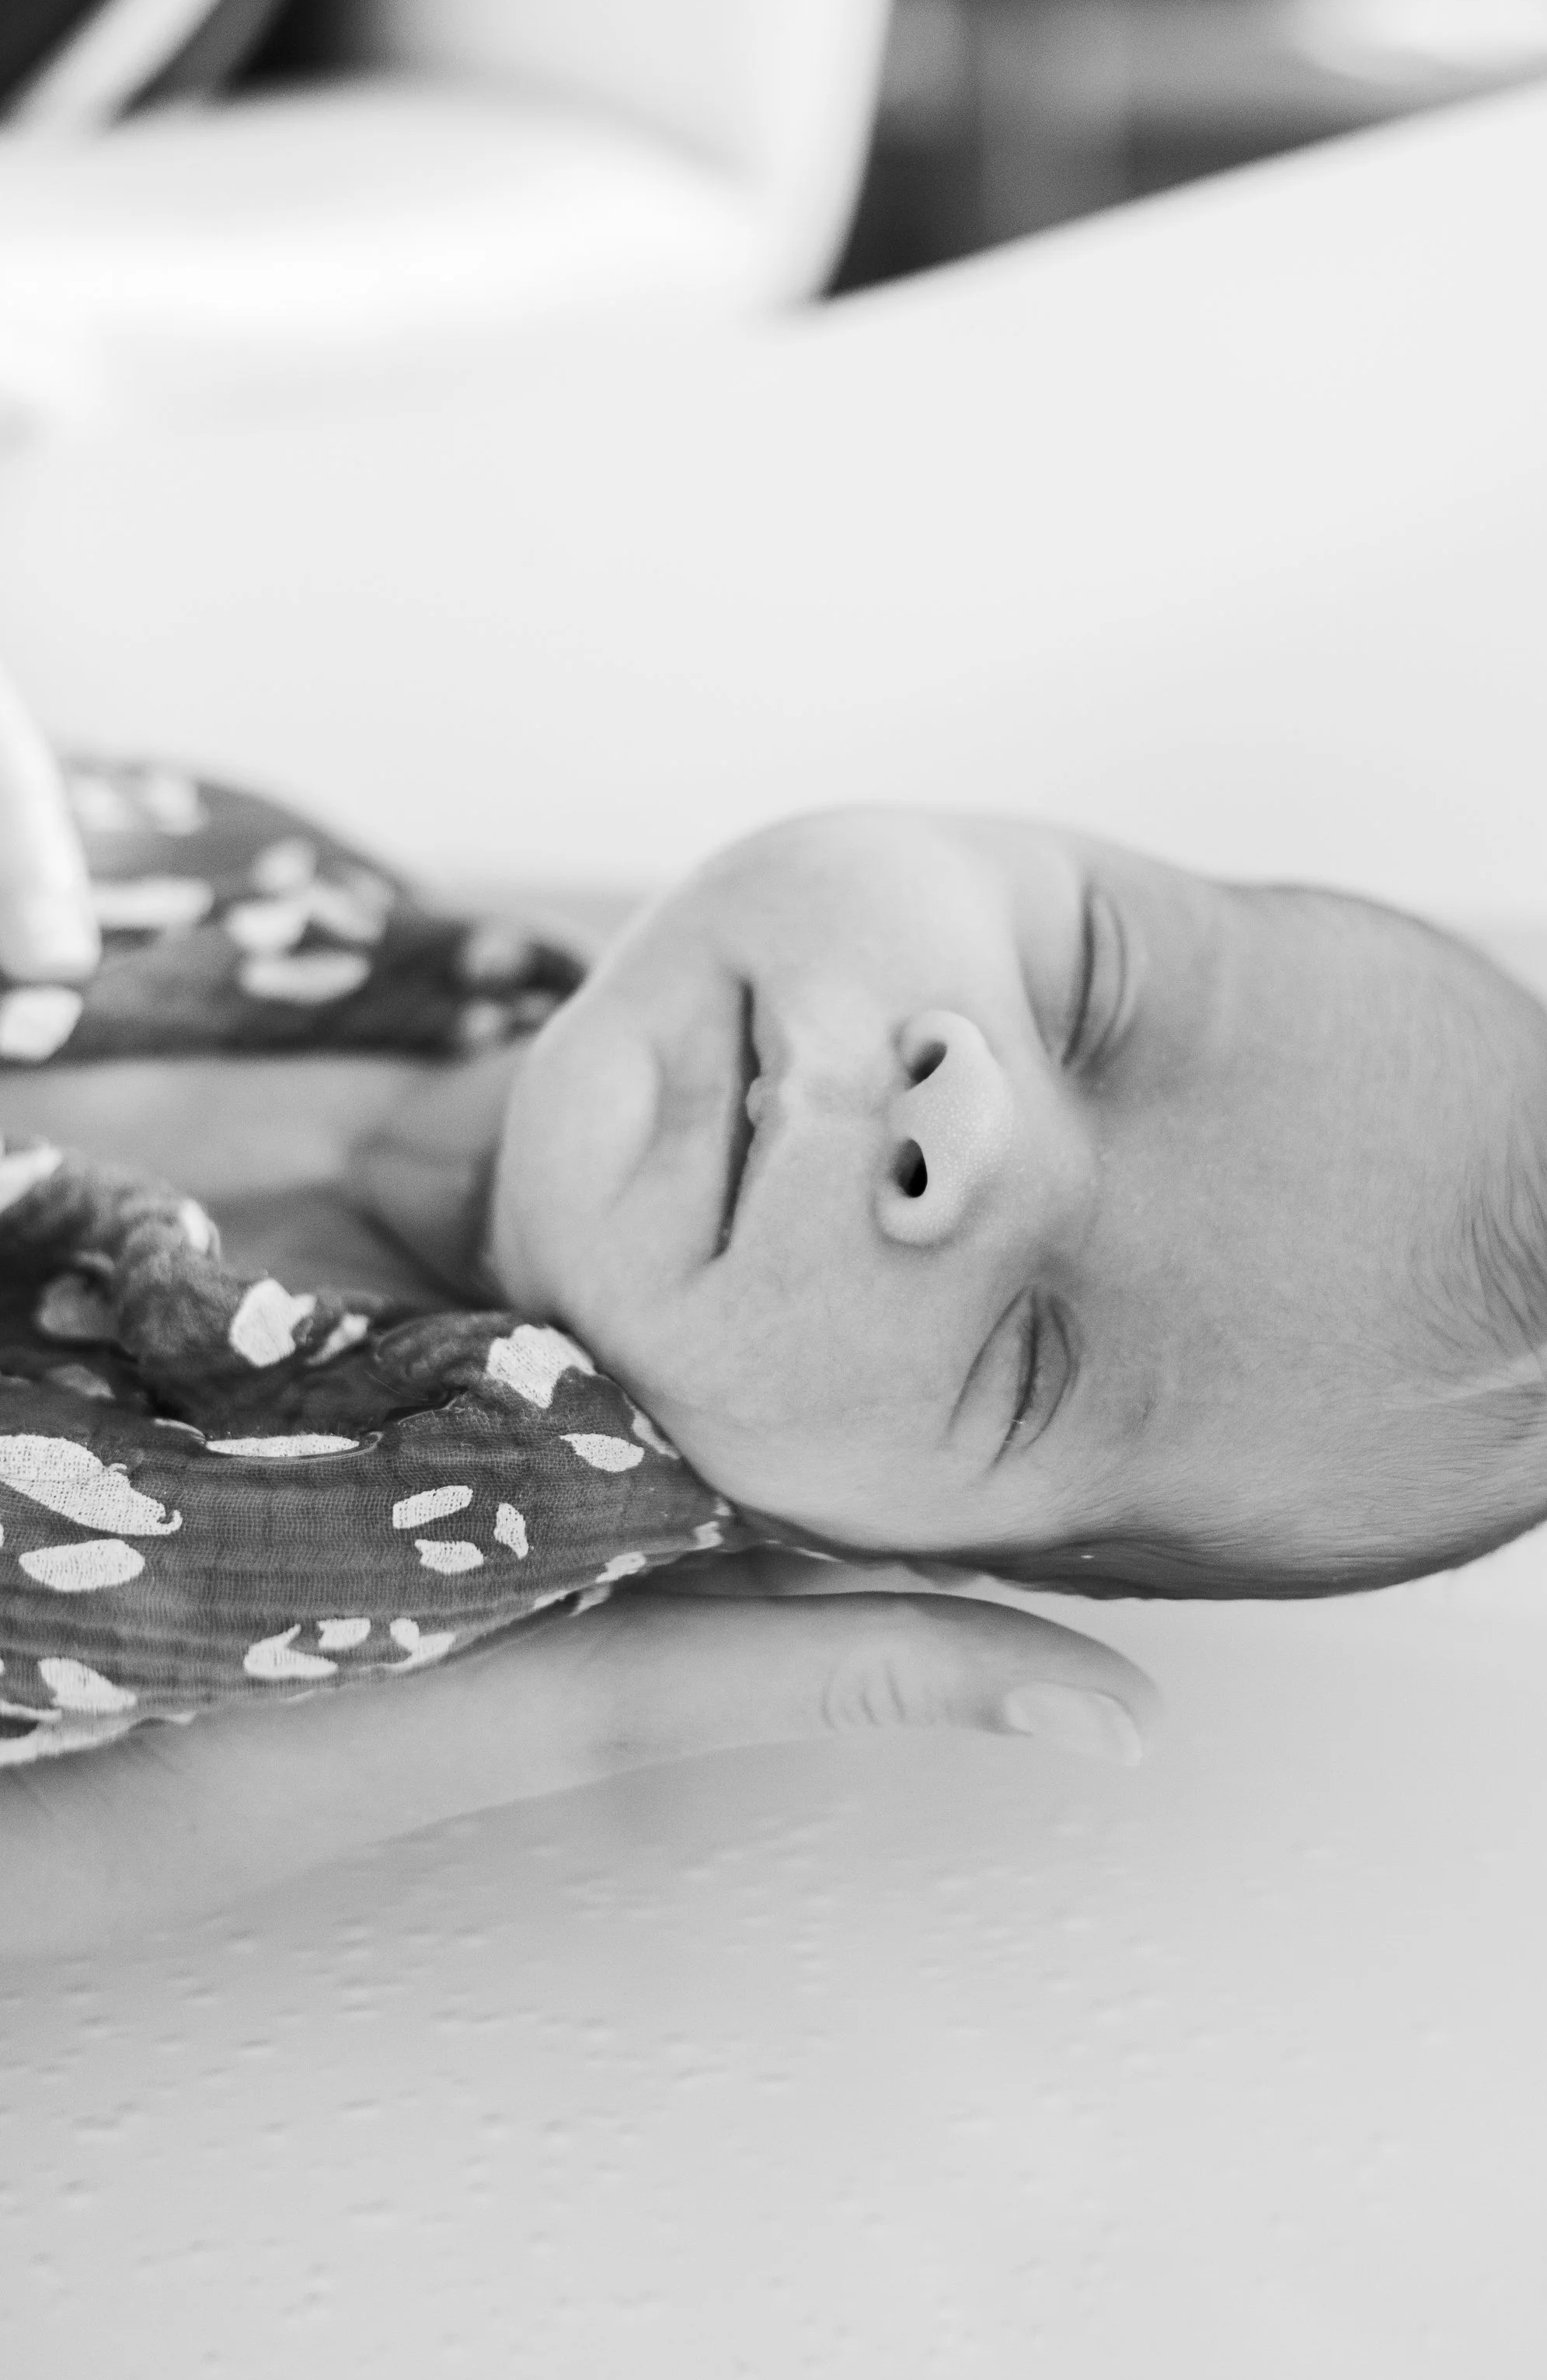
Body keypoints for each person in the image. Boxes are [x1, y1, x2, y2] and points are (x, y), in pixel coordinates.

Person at [0, 688, 1156, 1964]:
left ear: (922, 1545)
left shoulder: (428, 1509)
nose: (964, 1121)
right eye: (1092, 991)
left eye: (1029, 1359)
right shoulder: (335, 906)